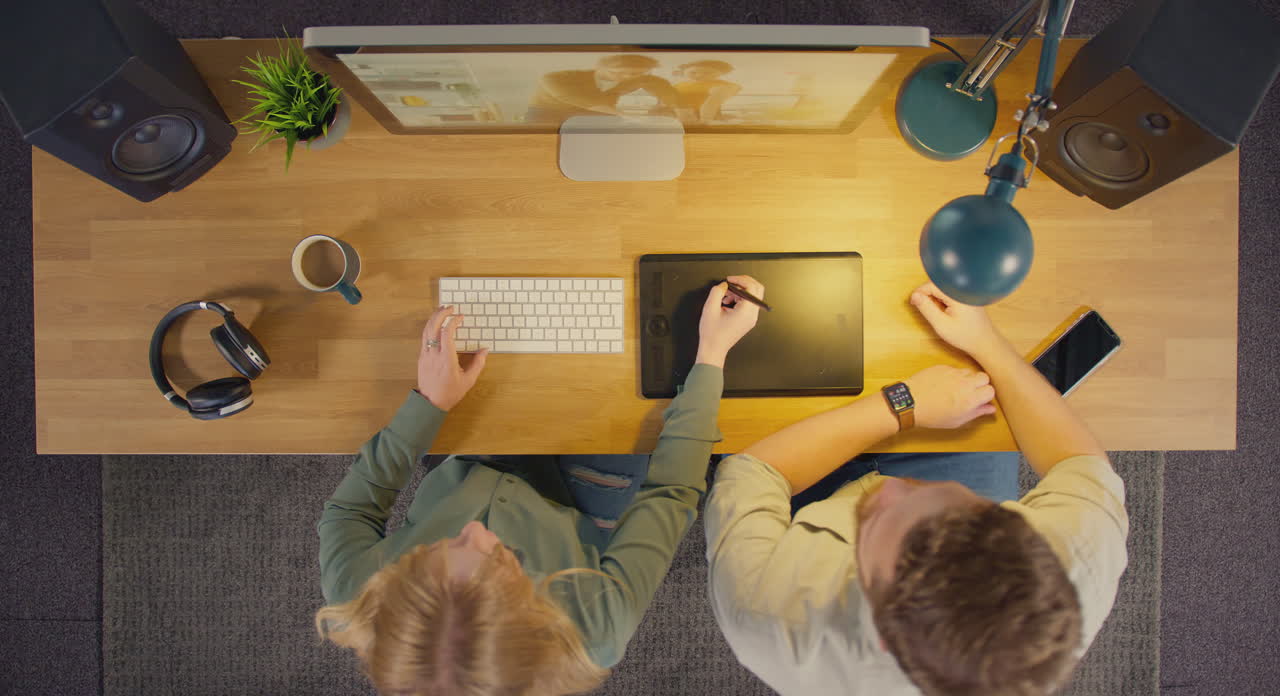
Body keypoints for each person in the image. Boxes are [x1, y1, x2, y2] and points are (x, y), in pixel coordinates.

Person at [314, 276, 765, 696]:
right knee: (632, 401)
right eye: (502, 559)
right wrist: (712, 354)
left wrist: (430, 403)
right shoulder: (596, 628)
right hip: (576, 503)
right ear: (540, 614)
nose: (476, 530)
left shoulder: (359, 595)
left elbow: (352, 511)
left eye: (437, 549)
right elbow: (671, 491)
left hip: (467, 469)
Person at [704, 282, 1129, 696]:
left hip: (803, 490)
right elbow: (1080, 463)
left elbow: (752, 472)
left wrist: (901, 404)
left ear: (883, 632)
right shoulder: (1074, 564)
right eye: (944, 498)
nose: (888, 490)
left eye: (875, 522)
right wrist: (985, 341)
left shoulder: (767, 618)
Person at [525, 54, 681, 123]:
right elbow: (582, 100)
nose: (626, 77)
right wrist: (627, 115)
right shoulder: (556, 78)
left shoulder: (644, 79)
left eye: (634, 73)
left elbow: (667, 92)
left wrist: (669, 105)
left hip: (597, 112)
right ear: (598, 67)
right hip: (548, 113)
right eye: (617, 72)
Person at [672, 60, 742, 124]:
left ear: (720, 73)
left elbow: (713, 102)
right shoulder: (679, 85)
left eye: (708, 73)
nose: (699, 75)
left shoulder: (721, 85)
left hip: (710, 117)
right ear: (685, 72)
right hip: (680, 117)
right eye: (693, 72)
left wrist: (705, 120)